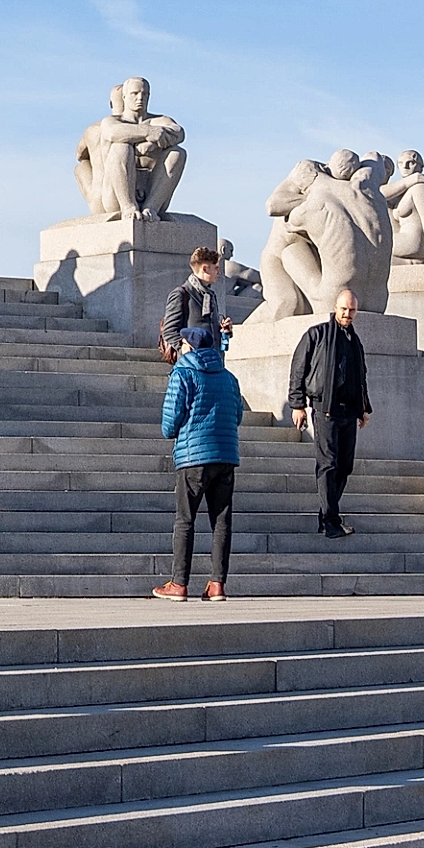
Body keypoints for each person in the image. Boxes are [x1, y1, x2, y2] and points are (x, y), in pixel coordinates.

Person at [155, 247, 243, 599]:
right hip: (225, 445)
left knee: (185, 519)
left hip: (194, 449)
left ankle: (179, 583)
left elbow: (170, 421)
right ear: (201, 268)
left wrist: (222, 336)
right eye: (214, 268)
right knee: (221, 520)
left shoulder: (212, 297)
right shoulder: (183, 293)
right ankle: (218, 583)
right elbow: (174, 332)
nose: (218, 273)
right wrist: (188, 351)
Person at [287, 288, 372, 538]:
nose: (347, 314)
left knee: (344, 466)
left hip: (349, 411)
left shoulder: (354, 341)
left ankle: (327, 516)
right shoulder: (317, 334)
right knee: (328, 464)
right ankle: (331, 521)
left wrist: (364, 408)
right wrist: (297, 404)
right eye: (344, 309)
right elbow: (298, 369)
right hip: (325, 409)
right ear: (336, 308)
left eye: (352, 310)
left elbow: (361, 377)